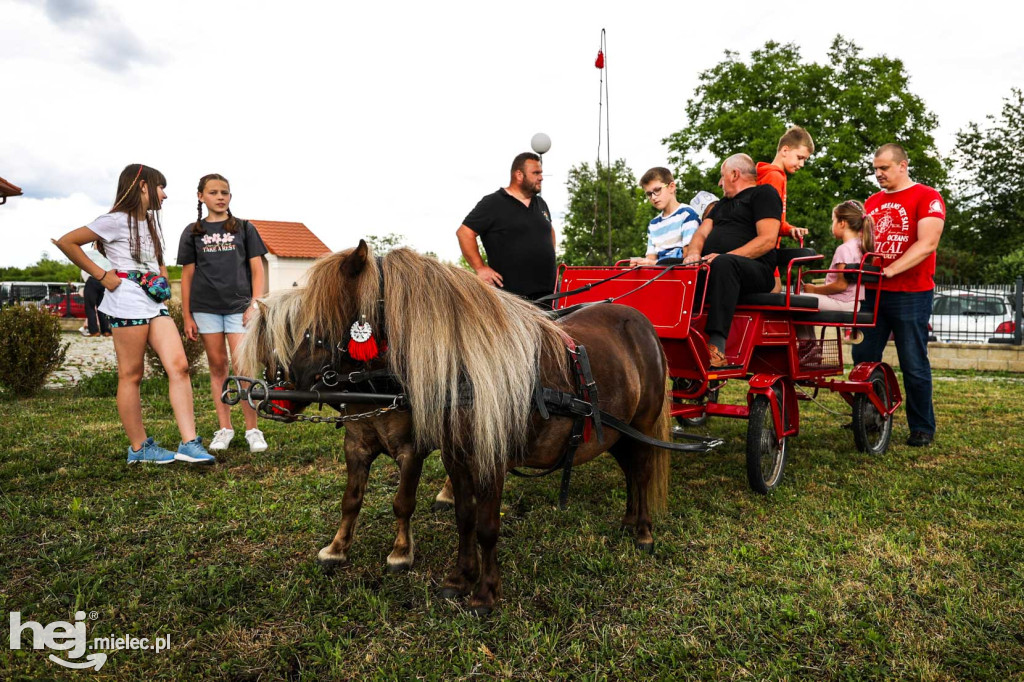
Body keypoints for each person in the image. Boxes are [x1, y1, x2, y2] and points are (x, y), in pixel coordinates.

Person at [54, 163, 215, 465]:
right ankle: (139, 449)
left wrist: (162, 274)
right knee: (132, 374)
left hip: (155, 303)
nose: (164, 195)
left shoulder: (150, 223)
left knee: (179, 366)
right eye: (160, 187)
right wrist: (102, 276)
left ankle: (190, 443)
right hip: (126, 301)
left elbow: (153, 258)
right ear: (142, 186)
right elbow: (67, 241)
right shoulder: (114, 220)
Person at [852, 143, 945, 447]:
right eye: (875, 168)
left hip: (911, 292)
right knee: (863, 358)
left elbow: (928, 243)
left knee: (913, 362)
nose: (878, 174)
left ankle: (921, 427)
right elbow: (862, 243)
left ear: (903, 166)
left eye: (884, 168)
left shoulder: (927, 196)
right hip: (873, 293)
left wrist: (892, 269)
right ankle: (869, 417)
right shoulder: (872, 201)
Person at [178, 173, 269, 454]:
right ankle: (225, 429)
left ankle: (252, 429)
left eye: (225, 192)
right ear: (201, 196)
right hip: (205, 308)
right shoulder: (193, 232)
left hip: (238, 309)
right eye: (214, 192)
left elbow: (257, 269)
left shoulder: (244, 228)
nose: (220, 197)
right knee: (218, 368)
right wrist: (187, 316)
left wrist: (254, 303)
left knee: (244, 369)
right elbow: (187, 276)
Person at [683, 154, 782, 367]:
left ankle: (717, 345)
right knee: (668, 268)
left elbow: (767, 240)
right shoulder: (721, 205)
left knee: (723, 264)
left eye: (722, 176)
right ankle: (674, 336)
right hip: (715, 267)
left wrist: (726, 256)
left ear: (734, 174)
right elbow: (701, 234)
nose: (719, 183)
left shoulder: (763, 194)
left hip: (755, 269)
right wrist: (693, 254)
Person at [456, 152, 556, 301]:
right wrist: (480, 268)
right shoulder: (493, 203)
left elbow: (550, 232)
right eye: (536, 173)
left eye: (541, 173)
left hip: (547, 296)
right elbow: (464, 233)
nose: (541, 177)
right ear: (519, 175)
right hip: (512, 301)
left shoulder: (540, 203)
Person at [757, 126, 813, 292]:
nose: (802, 164)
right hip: (765, 249)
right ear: (785, 150)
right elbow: (769, 222)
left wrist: (790, 229)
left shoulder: (767, 174)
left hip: (764, 247)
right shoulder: (774, 176)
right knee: (773, 294)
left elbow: (774, 219)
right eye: (800, 157)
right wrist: (785, 229)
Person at [801, 200, 874, 311]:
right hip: (854, 303)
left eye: (833, 221)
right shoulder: (861, 246)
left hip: (841, 302)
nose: (832, 225)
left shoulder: (844, 249)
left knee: (795, 299)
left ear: (842, 223)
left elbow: (841, 285)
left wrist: (814, 289)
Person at [630, 168, 701, 265]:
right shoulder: (653, 224)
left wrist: (653, 264)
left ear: (671, 187)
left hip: (680, 274)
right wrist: (640, 263)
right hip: (659, 276)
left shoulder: (687, 214)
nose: (654, 197)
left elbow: (688, 257)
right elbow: (650, 259)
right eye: (649, 194)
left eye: (657, 190)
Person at [81, 243, 112, 337]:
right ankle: (106, 331)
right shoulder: (109, 255)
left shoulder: (92, 253)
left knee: (90, 307)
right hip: (104, 281)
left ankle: (94, 331)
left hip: (93, 280)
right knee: (102, 307)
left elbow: (76, 254)